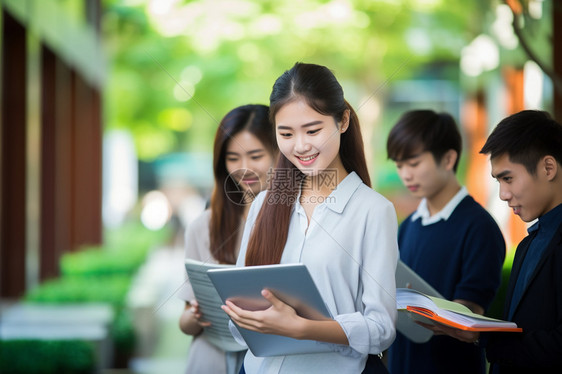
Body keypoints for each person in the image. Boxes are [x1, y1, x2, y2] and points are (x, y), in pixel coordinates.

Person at [221, 62, 398, 374]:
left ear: (342, 120)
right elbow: (238, 324)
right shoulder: (264, 204)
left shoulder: (373, 211)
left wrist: (303, 328)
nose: (300, 146)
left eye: (313, 130)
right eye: (286, 133)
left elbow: (381, 328)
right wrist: (242, 315)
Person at [434, 110, 562, 373]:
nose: (503, 194)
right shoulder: (529, 242)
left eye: (508, 178)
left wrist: (483, 336)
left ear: (548, 168)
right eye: (498, 181)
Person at [384, 110, 506, 374]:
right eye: (399, 164)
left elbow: (471, 309)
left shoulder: (479, 227)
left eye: (413, 163)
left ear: (449, 158)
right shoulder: (409, 225)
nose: (405, 174)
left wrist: (425, 309)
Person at [178, 104, 278, 374]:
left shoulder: (299, 221)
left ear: (279, 154)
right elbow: (186, 325)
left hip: (272, 359)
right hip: (212, 358)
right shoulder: (203, 226)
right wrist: (196, 314)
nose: (243, 168)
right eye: (233, 158)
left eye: (256, 156)